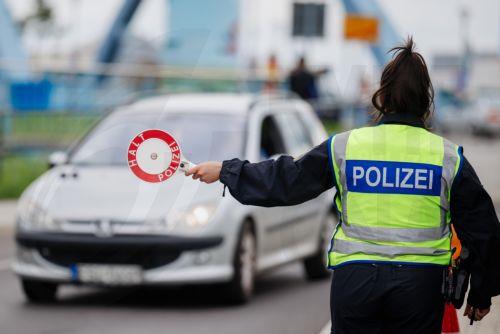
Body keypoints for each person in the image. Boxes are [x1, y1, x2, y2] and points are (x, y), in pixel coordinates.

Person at [186, 38, 500, 333]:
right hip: (419, 288)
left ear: (382, 96)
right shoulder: (447, 157)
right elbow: (484, 231)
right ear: (426, 100)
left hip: (357, 283)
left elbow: (288, 180)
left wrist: (228, 171)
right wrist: (481, 295)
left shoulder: (345, 146)